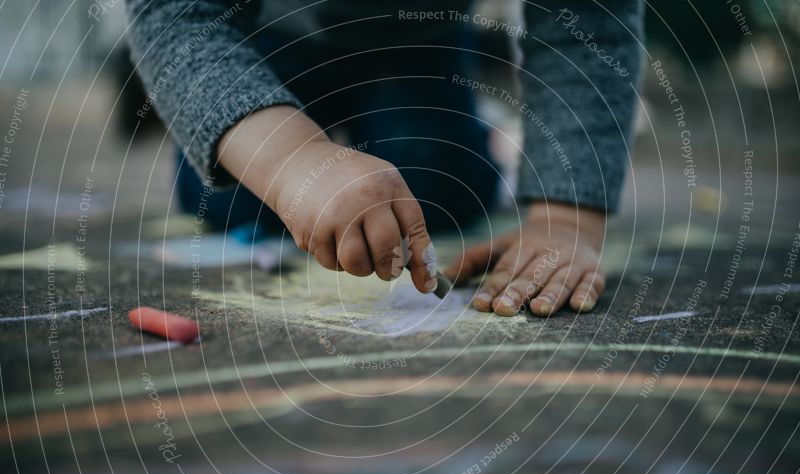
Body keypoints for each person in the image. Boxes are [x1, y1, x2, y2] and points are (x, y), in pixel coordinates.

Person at [125, 0, 643, 316]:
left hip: (419, 40)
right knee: (231, 201)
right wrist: (292, 160)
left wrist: (566, 215)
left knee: (433, 189)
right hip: (262, 33)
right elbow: (175, 12)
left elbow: (589, 18)